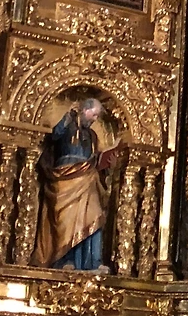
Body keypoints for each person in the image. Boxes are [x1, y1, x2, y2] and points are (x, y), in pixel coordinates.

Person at [31, 97, 122, 270]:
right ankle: (66, 260)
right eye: (94, 115)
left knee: (94, 216)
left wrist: (109, 164)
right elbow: (55, 135)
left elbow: (95, 159)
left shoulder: (92, 135)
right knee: (67, 220)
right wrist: (68, 116)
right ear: (85, 110)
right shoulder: (69, 125)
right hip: (66, 176)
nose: (95, 119)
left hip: (88, 179)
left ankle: (93, 262)